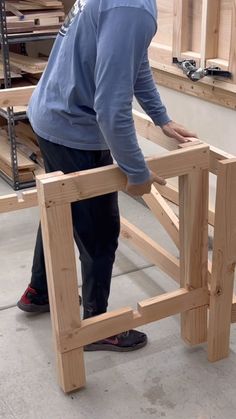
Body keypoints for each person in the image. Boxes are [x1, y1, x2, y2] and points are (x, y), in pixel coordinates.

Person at [17, 0, 196, 351]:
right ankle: (96, 326)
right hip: (72, 126)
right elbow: (111, 110)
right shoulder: (132, 7)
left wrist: (161, 117)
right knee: (99, 233)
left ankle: (39, 290)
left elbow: (134, 61)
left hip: (50, 114)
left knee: (61, 206)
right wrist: (137, 172)